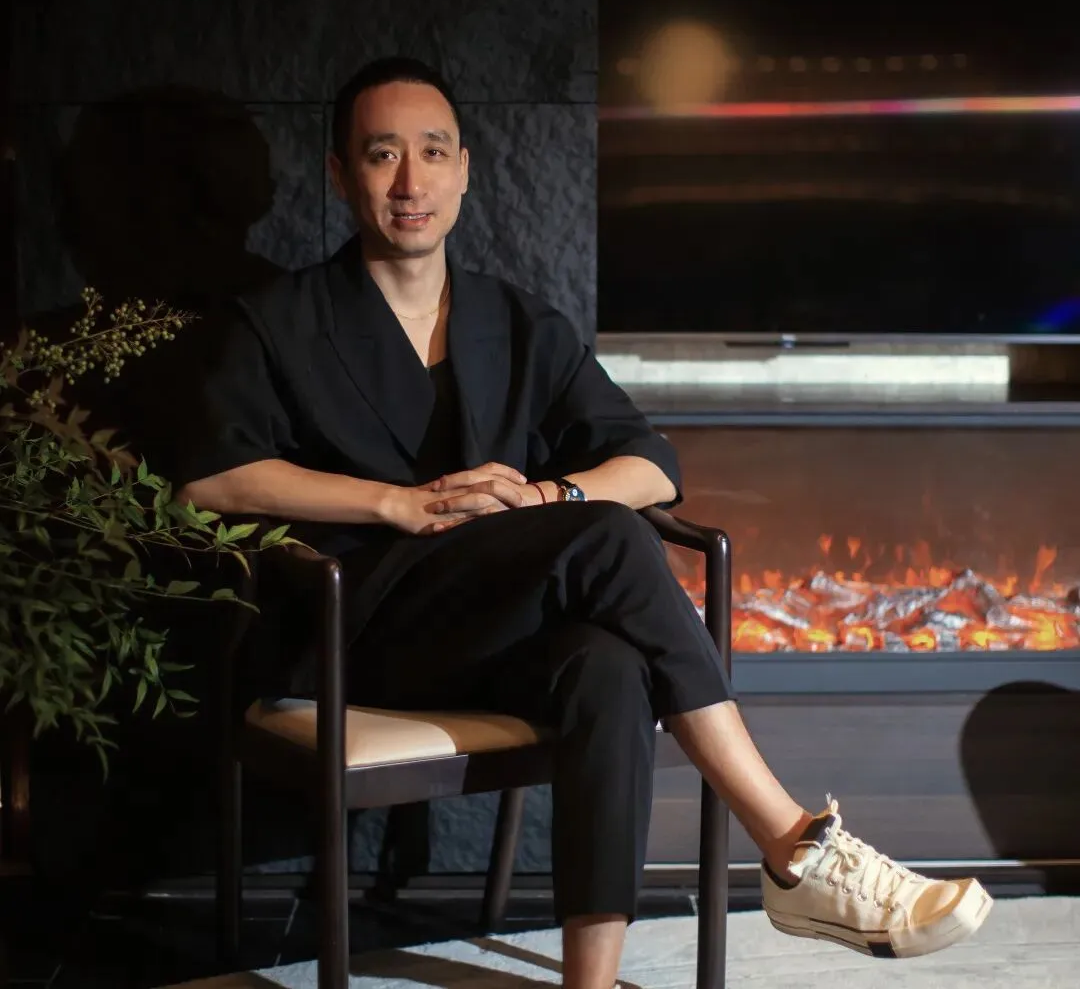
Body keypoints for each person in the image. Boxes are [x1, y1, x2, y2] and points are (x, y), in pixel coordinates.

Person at [173, 56, 993, 989]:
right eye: (381, 154)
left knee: (607, 667)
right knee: (609, 535)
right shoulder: (278, 321)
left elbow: (651, 463)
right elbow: (210, 481)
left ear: (465, 169)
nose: (410, 181)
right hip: (351, 629)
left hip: (487, 629)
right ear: (338, 173)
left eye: (433, 152)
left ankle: (589, 984)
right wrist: (394, 501)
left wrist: (545, 497)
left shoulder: (518, 322)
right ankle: (793, 844)